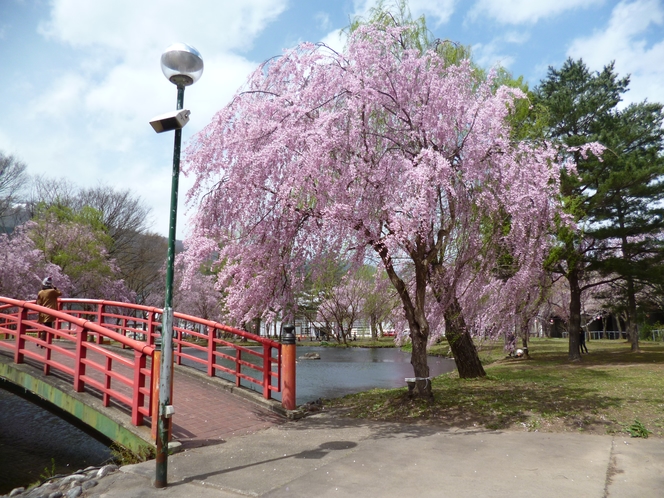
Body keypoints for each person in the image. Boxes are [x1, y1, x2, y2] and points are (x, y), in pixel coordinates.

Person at [36, 277, 62, 345]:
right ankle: (43, 342)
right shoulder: (52, 291)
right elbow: (59, 293)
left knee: (46, 326)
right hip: (50, 311)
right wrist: (55, 287)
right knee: (48, 327)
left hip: (43, 311)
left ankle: (43, 341)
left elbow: (38, 303)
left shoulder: (40, 292)